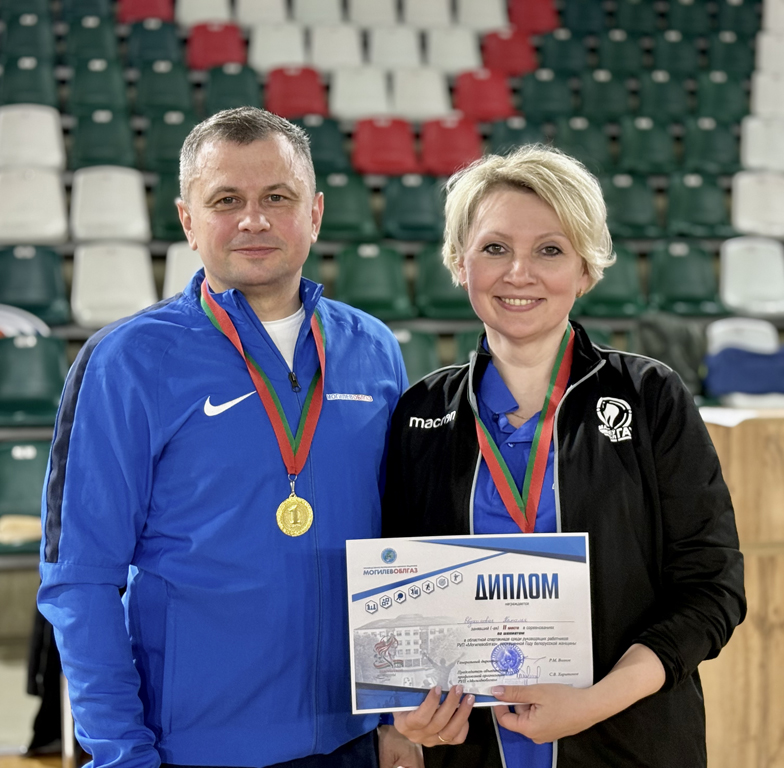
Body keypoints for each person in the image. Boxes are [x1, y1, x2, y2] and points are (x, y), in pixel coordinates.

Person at [38, 107, 422, 768]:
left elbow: (397, 545)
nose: (253, 220)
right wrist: (123, 756)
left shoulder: (373, 348)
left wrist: (397, 719)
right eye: (226, 201)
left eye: (278, 197)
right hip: (188, 750)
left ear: (315, 214)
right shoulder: (127, 362)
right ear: (188, 221)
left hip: (353, 744)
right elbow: (80, 581)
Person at [382, 145, 746, 767]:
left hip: (628, 745)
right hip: (473, 752)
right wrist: (406, 714)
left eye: (550, 250)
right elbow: (394, 595)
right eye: (495, 248)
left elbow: (712, 589)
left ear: (585, 270)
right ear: (460, 262)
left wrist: (596, 701)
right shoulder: (421, 413)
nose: (519, 272)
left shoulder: (649, 396)